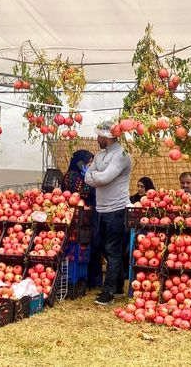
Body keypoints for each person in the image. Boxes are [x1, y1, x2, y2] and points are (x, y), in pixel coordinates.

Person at [85, 119, 132, 306]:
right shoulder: (100, 155)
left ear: (107, 136)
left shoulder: (121, 154)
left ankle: (109, 291)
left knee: (112, 249)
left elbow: (104, 177)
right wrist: (96, 177)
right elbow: (88, 176)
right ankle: (118, 286)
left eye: (99, 135)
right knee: (107, 248)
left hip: (117, 209)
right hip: (102, 208)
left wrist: (95, 176)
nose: (97, 138)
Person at [62, 150, 101, 289]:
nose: (90, 165)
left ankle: (93, 281)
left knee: (93, 245)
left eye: (91, 163)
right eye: (88, 162)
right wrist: (88, 180)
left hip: (86, 217)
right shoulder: (72, 175)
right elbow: (81, 193)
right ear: (80, 163)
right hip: (75, 218)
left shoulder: (86, 176)